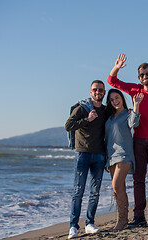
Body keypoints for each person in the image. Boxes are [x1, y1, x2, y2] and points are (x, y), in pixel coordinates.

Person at [107, 54, 148, 227]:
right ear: (138, 78)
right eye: (142, 75)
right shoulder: (135, 90)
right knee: (138, 179)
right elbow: (112, 81)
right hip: (139, 140)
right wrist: (117, 66)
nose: (145, 77)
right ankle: (138, 216)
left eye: (147, 74)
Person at [65, 80, 107, 238]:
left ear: (104, 92)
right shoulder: (82, 108)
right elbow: (68, 125)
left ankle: (89, 223)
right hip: (82, 154)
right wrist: (87, 120)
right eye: (95, 90)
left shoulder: (105, 110)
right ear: (91, 92)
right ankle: (73, 227)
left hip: (99, 155)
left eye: (101, 90)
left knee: (95, 192)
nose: (98, 92)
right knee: (78, 192)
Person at [105, 89, 144, 230]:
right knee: (118, 188)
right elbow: (107, 138)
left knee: (116, 186)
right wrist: (106, 157)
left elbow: (135, 123)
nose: (115, 101)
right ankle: (122, 221)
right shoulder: (109, 118)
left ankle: (122, 221)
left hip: (124, 155)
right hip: (111, 157)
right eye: (112, 99)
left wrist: (136, 105)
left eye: (117, 97)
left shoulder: (128, 114)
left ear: (122, 98)